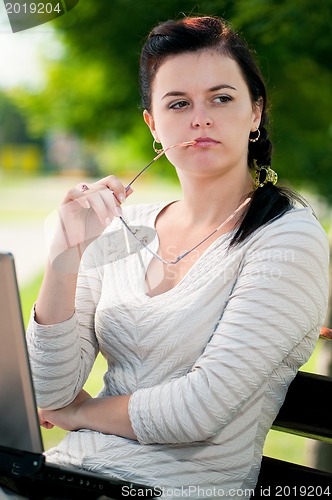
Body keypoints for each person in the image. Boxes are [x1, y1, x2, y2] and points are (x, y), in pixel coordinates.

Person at [4, 15, 329, 500]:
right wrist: (64, 255)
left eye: (222, 98)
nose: (200, 118)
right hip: (64, 475)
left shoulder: (287, 238)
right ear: (153, 125)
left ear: (255, 112)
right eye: (178, 103)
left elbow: (200, 409)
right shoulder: (118, 227)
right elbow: (46, 394)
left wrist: (79, 415)